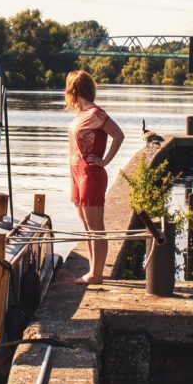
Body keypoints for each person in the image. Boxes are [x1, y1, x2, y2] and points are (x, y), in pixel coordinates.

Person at [64, 70, 125, 282]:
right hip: (76, 173)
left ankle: (96, 274)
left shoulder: (96, 114)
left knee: (96, 226)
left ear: (73, 90)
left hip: (91, 174)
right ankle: (92, 271)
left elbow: (118, 135)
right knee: (87, 226)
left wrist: (105, 160)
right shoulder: (80, 115)